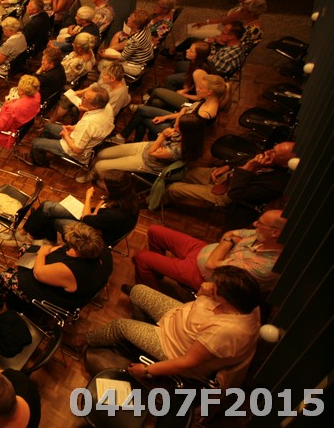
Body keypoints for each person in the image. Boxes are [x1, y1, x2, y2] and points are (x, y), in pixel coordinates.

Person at [84, 266, 262, 389]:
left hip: (173, 346)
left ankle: (85, 340)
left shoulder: (225, 332)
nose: (211, 285)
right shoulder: (246, 302)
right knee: (138, 291)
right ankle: (139, 336)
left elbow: (187, 362)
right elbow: (201, 300)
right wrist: (204, 291)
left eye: (215, 288)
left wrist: (146, 371)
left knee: (119, 326)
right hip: (180, 317)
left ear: (226, 298)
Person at [134, 210, 286, 293]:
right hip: (203, 249)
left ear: (275, 233)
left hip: (201, 274)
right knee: (154, 231)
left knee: (141, 257)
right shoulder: (262, 235)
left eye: (260, 223)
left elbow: (211, 265)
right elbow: (230, 234)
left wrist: (229, 242)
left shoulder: (266, 266)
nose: (254, 224)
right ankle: (157, 273)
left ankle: (146, 294)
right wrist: (229, 242)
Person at [166, 141, 295, 228]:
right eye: (273, 148)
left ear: (285, 164)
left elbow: (237, 194)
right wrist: (228, 166)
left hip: (227, 193)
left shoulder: (277, 183)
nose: (268, 152)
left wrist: (248, 168)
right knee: (182, 172)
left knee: (173, 188)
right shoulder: (266, 156)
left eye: (274, 153)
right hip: (225, 176)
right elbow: (244, 158)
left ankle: (160, 200)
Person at [0, 222, 112, 311]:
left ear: (78, 250)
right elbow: (61, 249)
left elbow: (38, 273)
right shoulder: (99, 246)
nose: (67, 245)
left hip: (57, 298)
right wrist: (49, 250)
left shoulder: (71, 269)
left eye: (70, 245)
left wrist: (43, 252)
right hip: (73, 280)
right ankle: (21, 272)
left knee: (4, 277)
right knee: (25, 249)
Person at [24, 171, 140, 247]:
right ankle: (28, 232)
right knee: (47, 206)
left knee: (52, 219)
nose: (101, 185)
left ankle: (47, 240)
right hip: (96, 221)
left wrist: (88, 197)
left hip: (93, 238)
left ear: (111, 189)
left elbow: (87, 220)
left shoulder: (115, 213)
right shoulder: (127, 195)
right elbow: (101, 204)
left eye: (104, 184)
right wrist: (94, 213)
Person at [92, 113, 206, 181]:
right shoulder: (183, 133)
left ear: (187, 131)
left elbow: (151, 153)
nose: (174, 127)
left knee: (100, 166)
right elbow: (154, 149)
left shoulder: (179, 149)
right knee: (102, 154)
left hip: (147, 162)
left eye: (178, 126)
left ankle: (103, 182)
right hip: (146, 147)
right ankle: (96, 173)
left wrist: (162, 137)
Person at [22, 85, 113, 168]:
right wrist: (74, 127)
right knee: (48, 128)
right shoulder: (107, 106)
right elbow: (90, 130)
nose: (82, 99)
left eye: (85, 99)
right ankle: (41, 151)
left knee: (35, 143)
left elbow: (78, 150)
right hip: (78, 135)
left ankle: (41, 163)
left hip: (73, 149)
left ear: (94, 106)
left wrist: (66, 135)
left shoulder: (89, 123)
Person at [117, 73, 226, 142]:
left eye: (201, 88)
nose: (197, 89)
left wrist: (179, 115)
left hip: (177, 133)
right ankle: (127, 138)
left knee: (143, 119)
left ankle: (130, 140)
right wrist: (166, 117)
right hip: (179, 121)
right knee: (142, 110)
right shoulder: (206, 101)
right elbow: (186, 112)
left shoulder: (205, 114)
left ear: (209, 92)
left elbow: (182, 128)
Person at [181, 0, 261, 43]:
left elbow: (224, 21)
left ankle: (180, 51)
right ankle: (179, 49)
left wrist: (225, 18)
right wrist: (206, 22)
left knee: (191, 34)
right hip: (221, 26)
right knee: (190, 27)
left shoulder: (245, 10)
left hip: (224, 33)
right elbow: (223, 19)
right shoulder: (241, 4)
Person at [0, 75, 41, 148]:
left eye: (18, 87)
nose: (17, 88)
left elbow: (1, 126)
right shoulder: (37, 95)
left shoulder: (14, 108)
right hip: (22, 124)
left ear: (22, 92)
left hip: (7, 134)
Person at [99, 9, 153, 76]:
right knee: (108, 51)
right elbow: (127, 43)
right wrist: (109, 49)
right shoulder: (145, 28)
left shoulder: (135, 39)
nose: (128, 18)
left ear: (136, 25)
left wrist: (105, 56)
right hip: (143, 61)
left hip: (134, 66)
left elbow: (122, 58)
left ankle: (104, 80)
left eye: (131, 18)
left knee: (103, 63)